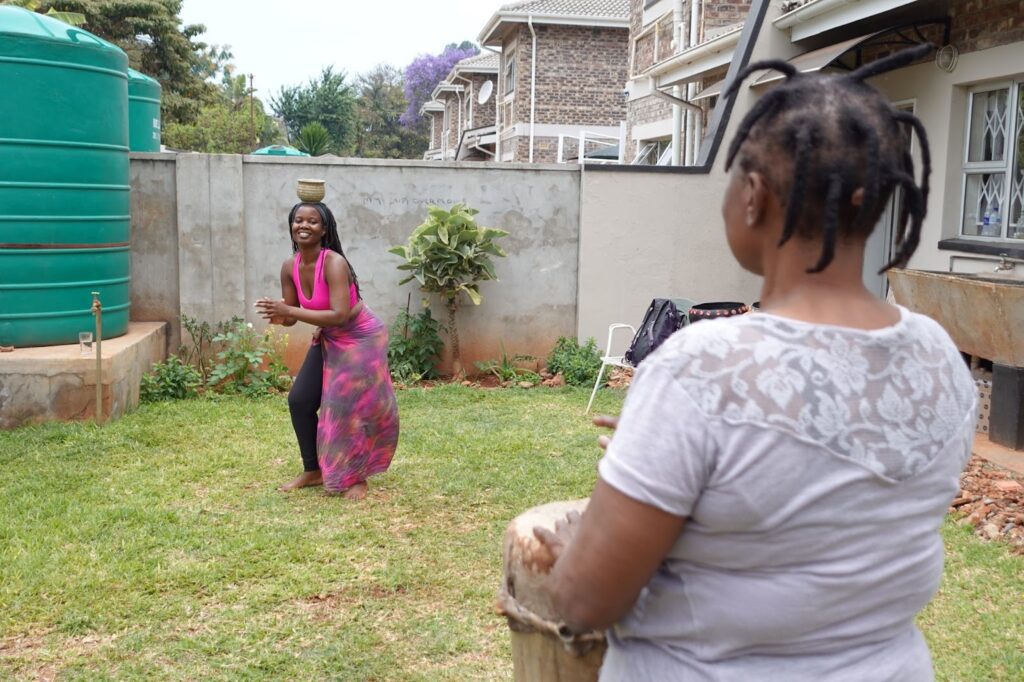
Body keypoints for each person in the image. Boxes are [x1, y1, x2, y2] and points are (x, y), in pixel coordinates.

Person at [533, 45, 978, 680]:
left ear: (753, 197)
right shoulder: (940, 358)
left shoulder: (701, 368)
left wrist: (579, 544)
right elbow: (830, 494)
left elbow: (584, 602)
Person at [256, 200, 399, 499]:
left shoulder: (333, 262)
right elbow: (292, 319)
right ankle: (313, 470)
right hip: (330, 337)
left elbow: (340, 314)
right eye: (298, 220)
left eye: (312, 221)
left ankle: (357, 476)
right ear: (291, 226)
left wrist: (288, 310)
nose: (304, 226)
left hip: (361, 336)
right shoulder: (289, 267)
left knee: (348, 408)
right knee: (300, 400)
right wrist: (279, 314)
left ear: (324, 229)